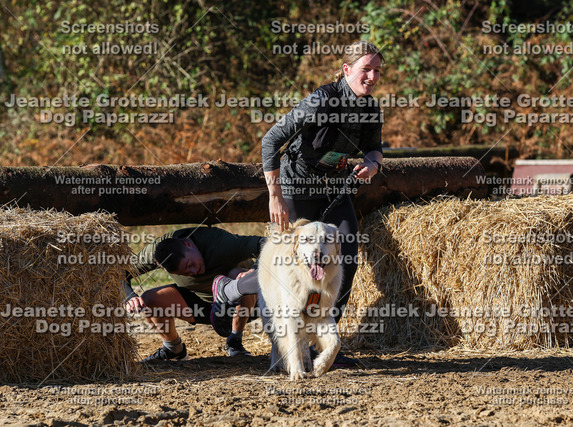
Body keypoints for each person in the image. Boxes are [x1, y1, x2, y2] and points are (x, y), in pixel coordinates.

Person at [260, 40, 385, 367]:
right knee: (285, 264)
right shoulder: (320, 100)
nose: (372, 77)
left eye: (377, 71)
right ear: (346, 69)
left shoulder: (371, 108)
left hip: (334, 188)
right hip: (297, 186)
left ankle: (323, 344)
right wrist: (275, 195)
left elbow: (374, 148)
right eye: (366, 69)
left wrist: (373, 164)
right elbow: (271, 140)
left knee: (346, 257)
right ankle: (283, 348)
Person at [124, 226, 265, 362]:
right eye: (185, 273)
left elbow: (265, 243)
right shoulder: (155, 253)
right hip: (202, 306)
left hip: (244, 306)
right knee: (148, 299)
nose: (193, 271)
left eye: (190, 264)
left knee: (238, 275)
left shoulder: (219, 242)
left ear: (188, 244)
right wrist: (130, 298)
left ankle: (235, 341)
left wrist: (253, 271)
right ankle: (173, 348)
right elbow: (121, 273)